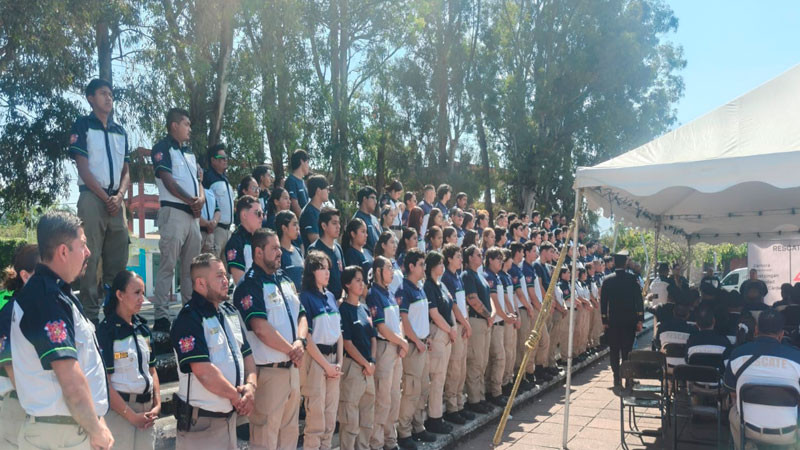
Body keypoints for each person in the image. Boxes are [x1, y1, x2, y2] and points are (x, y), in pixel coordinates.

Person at [11, 211, 113, 450]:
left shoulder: (56, 294)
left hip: (68, 429)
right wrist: (97, 430)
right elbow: (69, 378)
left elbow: (85, 368)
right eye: (83, 245)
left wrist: (98, 420)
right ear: (63, 252)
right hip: (61, 435)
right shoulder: (47, 299)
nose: (88, 253)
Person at [170, 253, 257, 450]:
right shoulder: (189, 319)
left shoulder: (230, 312)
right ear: (200, 283)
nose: (226, 281)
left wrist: (251, 387)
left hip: (228, 421)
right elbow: (204, 372)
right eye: (219, 276)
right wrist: (237, 398)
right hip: (201, 425)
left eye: (225, 275)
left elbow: (248, 356)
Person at [231, 229, 308, 450]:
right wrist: (292, 350)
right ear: (258, 252)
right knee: (265, 440)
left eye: (279, 248)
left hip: (292, 370)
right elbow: (260, 328)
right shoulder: (249, 284)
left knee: (289, 437)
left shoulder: (283, 278)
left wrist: (300, 343)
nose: (279, 253)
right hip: (269, 374)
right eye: (273, 248)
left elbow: (302, 314)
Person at [69, 78, 130, 325]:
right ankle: (90, 318)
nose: (109, 98)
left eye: (111, 94)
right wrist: (106, 198)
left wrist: (119, 196)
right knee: (90, 258)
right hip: (93, 198)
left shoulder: (120, 131)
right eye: (103, 93)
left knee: (118, 258)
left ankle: (115, 316)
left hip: (117, 201)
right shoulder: (83, 125)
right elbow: (83, 167)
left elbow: (127, 170)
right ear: (90, 98)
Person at [151, 108, 204, 331]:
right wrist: (192, 199)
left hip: (192, 216)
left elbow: (199, 179)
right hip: (173, 212)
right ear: (174, 125)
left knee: (192, 268)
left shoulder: (189, 153)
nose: (189, 129)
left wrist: (200, 198)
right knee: (168, 265)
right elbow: (168, 180)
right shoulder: (162, 148)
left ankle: (191, 309)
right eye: (186, 124)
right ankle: (162, 315)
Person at [97, 271, 161, 450]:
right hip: (120, 412)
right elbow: (105, 383)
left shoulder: (143, 328)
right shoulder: (107, 331)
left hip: (147, 411)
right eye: (136, 293)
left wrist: (157, 404)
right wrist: (132, 416)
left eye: (143, 293)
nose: (142, 298)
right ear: (120, 295)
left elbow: (152, 370)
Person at [724, 309, 800, 450]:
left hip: (748, 430)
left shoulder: (737, 355)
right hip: (789, 433)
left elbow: (733, 394)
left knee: (733, 410)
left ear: (756, 330)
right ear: (781, 334)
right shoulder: (797, 359)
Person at [299, 251, 343, 450]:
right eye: (322, 268)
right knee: (316, 420)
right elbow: (306, 338)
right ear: (311, 271)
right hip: (317, 361)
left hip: (334, 361)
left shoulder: (331, 296)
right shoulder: (306, 298)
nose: (327, 272)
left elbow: (338, 332)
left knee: (330, 417)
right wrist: (326, 366)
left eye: (328, 268)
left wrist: (338, 363)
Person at [367, 256, 409, 450]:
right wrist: (400, 341)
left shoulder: (389, 292)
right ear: (377, 271)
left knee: (394, 397)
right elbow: (381, 327)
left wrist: (401, 340)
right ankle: (376, 443)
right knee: (382, 399)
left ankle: (390, 441)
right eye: (388, 268)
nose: (392, 271)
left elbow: (398, 319)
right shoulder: (373, 294)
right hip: (385, 348)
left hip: (396, 348)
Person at [0, 244, 39, 448]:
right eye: (42, 273)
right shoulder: (11, 311)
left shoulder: (40, 311)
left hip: (34, 405)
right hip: (17, 404)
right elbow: (10, 365)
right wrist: (36, 403)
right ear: (25, 275)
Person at [397, 248, 434, 448]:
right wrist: (417, 341)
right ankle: (404, 432)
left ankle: (418, 426)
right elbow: (404, 320)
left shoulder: (419, 287)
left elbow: (420, 318)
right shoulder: (404, 289)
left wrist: (425, 338)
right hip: (412, 347)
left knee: (422, 389)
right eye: (421, 264)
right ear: (411, 266)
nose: (424, 268)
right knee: (410, 391)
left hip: (422, 345)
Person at [337, 267, 376, 450]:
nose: (362, 284)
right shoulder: (343, 309)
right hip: (353, 368)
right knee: (350, 420)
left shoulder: (365, 307)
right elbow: (347, 343)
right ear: (347, 284)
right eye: (357, 280)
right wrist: (365, 363)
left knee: (367, 419)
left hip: (369, 368)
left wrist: (372, 362)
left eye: (363, 280)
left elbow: (373, 336)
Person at [422, 251, 456, 435]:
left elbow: (449, 306)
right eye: (439, 264)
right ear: (431, 266)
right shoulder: (428, 286)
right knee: (436, 377)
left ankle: (437, 415)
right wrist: (450, 330)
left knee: (441, 377)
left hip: (447, 333)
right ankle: (434, 419)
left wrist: (453, 329)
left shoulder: (441, 284)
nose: (442, 267)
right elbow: (434, 313)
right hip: (437, 333)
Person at [600, 250, 644, 388]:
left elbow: (603, 302)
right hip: (629, 321)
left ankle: (616, 377)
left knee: (614, 350)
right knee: (627, 350)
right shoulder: (632, 279)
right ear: (625, 263)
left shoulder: (607, 280)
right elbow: (639, 300)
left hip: (613, 321)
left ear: (614, 263)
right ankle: (627, 377)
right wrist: (640, 319)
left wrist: (604, 320)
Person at [440, 244, 473, 425]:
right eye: (458, 256)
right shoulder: (446, 278)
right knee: (454, 368)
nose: (461, 259)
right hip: (457, 325)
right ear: (450, 259)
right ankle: (452, 407)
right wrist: (465, 323)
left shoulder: (458, 277)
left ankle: (460, 403)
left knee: (462, 367)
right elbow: (453, 306)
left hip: (464, 325)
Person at [462, 245, 494, 414]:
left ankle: (481, 397)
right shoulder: (467, 275)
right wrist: (488, 315)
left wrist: (490, 315)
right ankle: (474, 399)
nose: (481, 256)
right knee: (475, 361)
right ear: (469, 258)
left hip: (485, 322)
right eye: (477, 254)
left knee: (483, 362)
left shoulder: (479, 275)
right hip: (477, 321)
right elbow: (472, 299)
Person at [483, 248, 510, 407]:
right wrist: (506, 316)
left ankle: (494, 391)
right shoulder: (488, 276)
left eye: (502, 259)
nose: (501, 262)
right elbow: (494, 301)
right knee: (498, 358)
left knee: (499, 358)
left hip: (501, 322)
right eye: (498, 259)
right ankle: (495, 392)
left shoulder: (498, 277)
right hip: (495, 323)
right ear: (490, 260)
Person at [203, 143, 236, 254]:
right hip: (215, 229)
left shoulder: (225, 179)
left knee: (226, 269)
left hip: (228, 230)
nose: (225, 160)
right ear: (213, 160)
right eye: (221, 158)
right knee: (213, 265)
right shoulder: (207, 178)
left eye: (226, 158)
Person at [307, 207, 345, 300]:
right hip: (324, 303)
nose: (338, 226)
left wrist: (342, 298)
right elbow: (312, 281)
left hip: (340, 303)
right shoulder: (315, 249)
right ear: (324, 226)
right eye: (334, 223)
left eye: (339, 223)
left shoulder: (338, 248)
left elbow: (344, 277)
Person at [224, 195, 262, 285]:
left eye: (263, 214)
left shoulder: (262, 238)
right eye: (258, 213)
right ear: (244, 215)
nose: (262, 217)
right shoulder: (235, 242)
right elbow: (240, 281)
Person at [299, 174, 330, 250]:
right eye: (327, 189)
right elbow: (314, 241)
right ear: (318, 190)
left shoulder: (321, 210)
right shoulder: (309, 213)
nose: (328, 192)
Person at [276, 211, 304, 291]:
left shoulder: (298, 250)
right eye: (294, 224)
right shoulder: (277, 253)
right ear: (284, 228)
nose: (298, 228)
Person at [197, 168, 221, 255]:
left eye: (200, 170)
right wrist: (207, 224)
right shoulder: (191, 190)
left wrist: (214, 222)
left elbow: (217, 211)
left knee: (209, 264)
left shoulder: (210, 192)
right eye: (197, 170)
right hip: (197, 232)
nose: (199, 172)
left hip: (210, 234)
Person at [354, 186, 381, 256]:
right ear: (364, 199)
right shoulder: (357, 219)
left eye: (376, 199)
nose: (376, 202)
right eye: (372, 198)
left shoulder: (375, 219)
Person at [285, 149, 311, 217]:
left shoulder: (302, 181)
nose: (308, 166)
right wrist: (304, 222)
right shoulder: (291, 180)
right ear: (302, 161)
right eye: (307, 162)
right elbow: (294, 205)